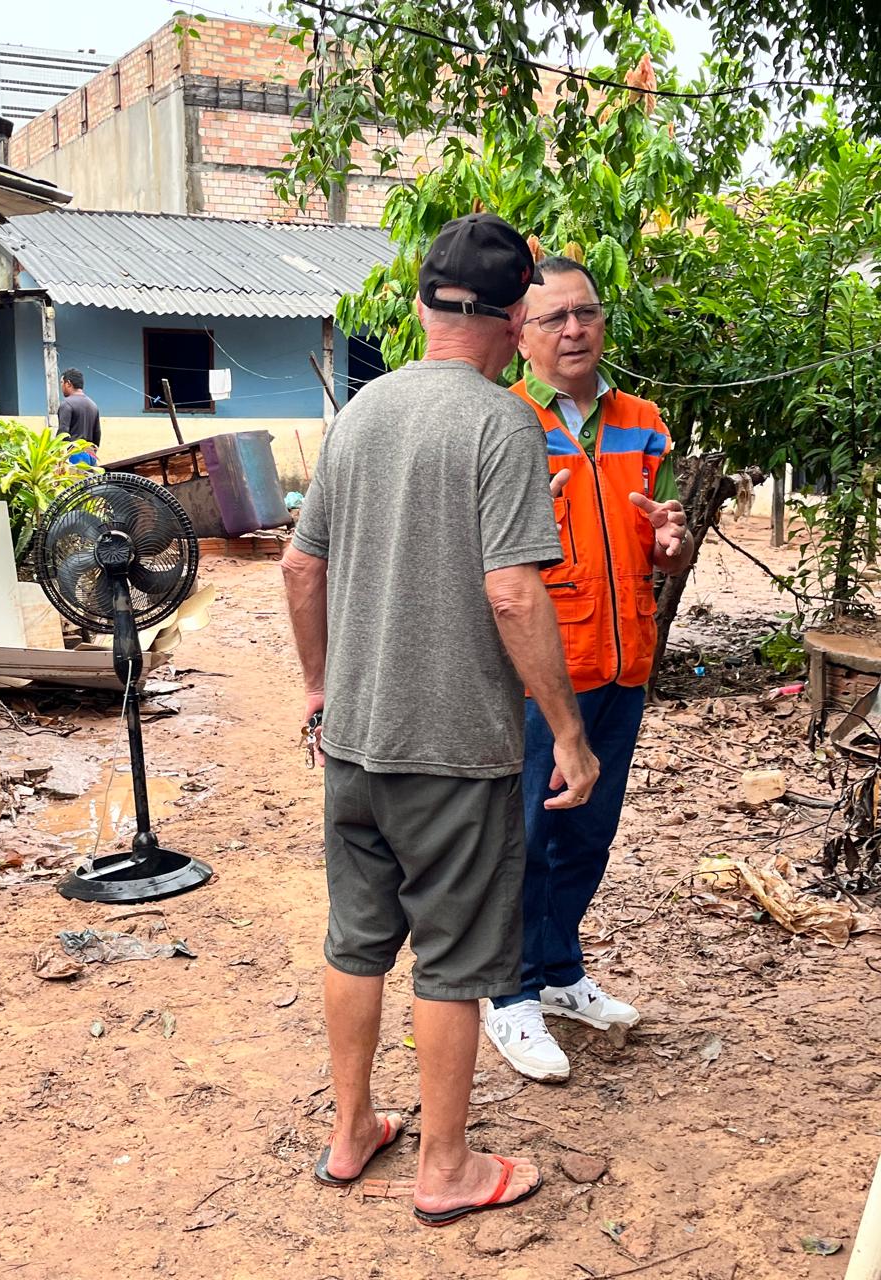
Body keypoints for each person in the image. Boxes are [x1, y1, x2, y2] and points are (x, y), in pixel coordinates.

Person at [282, 214, 599, 1226]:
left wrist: (321, 687)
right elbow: (513, 593)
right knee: (455, 960)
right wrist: (571, 729)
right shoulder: (503, 420)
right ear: (515, 321)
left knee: (356, 940)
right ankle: (448, 1166)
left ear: (422, 306)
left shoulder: (363, 411)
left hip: (356, 740)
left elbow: (300, 565)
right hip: (454, 748)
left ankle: (351, 1132)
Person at [484, 255, 694, 1082]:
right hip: (541, 677)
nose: (574, 329)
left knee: (589, 833)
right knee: (527, 835)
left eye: (587, 312)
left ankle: (561, 970)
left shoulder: (643, 422)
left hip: (625, 665)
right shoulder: (504, 424)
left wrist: (671, 546)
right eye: (552, 318)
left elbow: (664, 546)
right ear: (520, 335)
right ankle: (509, 997)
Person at [58, 368, 100, 464]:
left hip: (74, 454)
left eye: (61, 383)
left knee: (76, 479)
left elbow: (63, 433)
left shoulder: (66, 404)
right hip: (91, 454)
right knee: (90, 479)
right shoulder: (93, 405)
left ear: (68, 383)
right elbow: (97, 434)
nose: (61, 386)